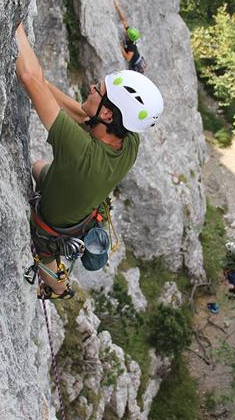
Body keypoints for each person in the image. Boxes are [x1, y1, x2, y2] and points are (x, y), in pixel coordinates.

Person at [14, 24, 164, 297]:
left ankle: (60, 287)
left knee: (51, 273)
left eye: (98, 90)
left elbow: (27, 75)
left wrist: (16, 24)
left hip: (52, 227)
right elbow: (84, 117)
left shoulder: (80, 150)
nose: (93, 88)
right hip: (80, 209)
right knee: (36, 167)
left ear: (108, 116)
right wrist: (43, 88)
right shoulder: (130, 141)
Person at [114, 0, 146, 73]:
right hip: (137, 60)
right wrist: (118, 7)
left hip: (136, 66)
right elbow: (124, 21)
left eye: (127, 33)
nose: (126, 32)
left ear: (129, 37)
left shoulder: (131, 46)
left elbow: (128, 58)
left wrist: (121, 48)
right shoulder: (130, 36)